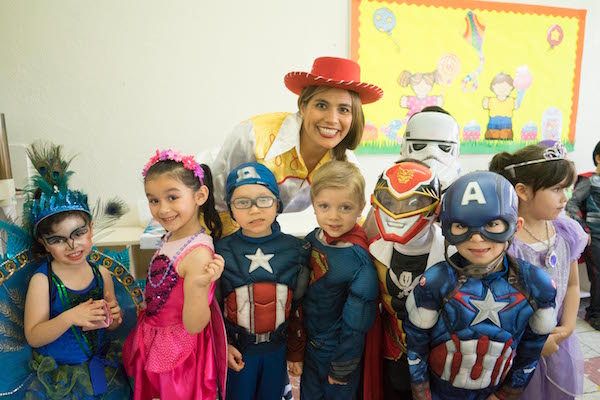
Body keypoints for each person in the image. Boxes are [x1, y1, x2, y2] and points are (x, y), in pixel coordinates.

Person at [404, 171, 558, 400]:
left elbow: (530, 353)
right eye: (461, 226)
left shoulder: (537, 285)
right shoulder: (435, 282)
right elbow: (416, 347)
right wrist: (421, 393)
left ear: (516, 226)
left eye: (492, 224)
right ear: (447, 228)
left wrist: (507, 394)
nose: (477, 238)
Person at [207, 56, 383, 235]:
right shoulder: (251, 136)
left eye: (344, 109)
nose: (332, 119)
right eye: (321, 105)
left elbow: (353, 219)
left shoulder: (346, 166)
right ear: (303, 106)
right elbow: (216, 205)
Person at [19, 142, 131, 399]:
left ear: (90, 228)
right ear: (43, 243)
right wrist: (71, 317)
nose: (72, 245)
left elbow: (111, 323)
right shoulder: (43, 281)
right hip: (60, 379)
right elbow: (34, 336)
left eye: (78, 233)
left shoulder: (102, 273)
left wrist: (113, 317)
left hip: (102, 370)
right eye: (58, 239)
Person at [122, 149, 227, 400]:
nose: (163, 209)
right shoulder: (173, 235)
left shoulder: (198, 254)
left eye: (172, 197)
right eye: (154, 200)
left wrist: (200, 286)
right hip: (157, 337)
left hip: (180, 353)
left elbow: (194, 325)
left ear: (200, 195)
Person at [490, 142, 588, 399]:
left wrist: (566, 327)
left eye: (567, 188)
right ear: (522, 191)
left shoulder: (565, 233)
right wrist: (530, 344)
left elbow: (573, 286)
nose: (565, 198)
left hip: (556, 345)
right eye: (556, 189)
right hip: (514, 350)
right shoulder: (503, 242)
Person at [216, 162, 310, 400]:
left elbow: (301, 306)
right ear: (231, 208)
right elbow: (213, 309)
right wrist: (223, 345)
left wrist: (296, 351)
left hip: (277, 349)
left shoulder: (296, 249)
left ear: (277, 204)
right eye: (243, 202)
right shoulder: (219, 251)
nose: (254, 210)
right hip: (239, 350)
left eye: (264, 200)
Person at [362, 161, 445, 399]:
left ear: (434, 208)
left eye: (412, 203)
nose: (398, 212)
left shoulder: (452, 254)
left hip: (439, 352)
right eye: (390, 201)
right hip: (393, 350)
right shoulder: (374, 252)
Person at [300, 161, 378, 399]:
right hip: (309, 346)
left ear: (360, 208)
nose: (333, 217)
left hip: (338, 352)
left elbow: (357, 323)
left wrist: (343, 365)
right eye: (324, 206)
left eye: (345, 207)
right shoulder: (312, 239)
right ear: (313, 205)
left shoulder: (358, 259)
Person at [567, 140, 600, 331]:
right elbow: (572, 204)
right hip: (594, 235)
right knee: (598, 275)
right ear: (598, 158)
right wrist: (583, 230)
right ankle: (594, 314)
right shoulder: (588, 181)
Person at [399, 106, 461, 192]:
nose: (432, 152)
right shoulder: (389, 188)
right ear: (403, 148)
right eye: (419, 145)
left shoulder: (463, 194)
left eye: (445, 147)